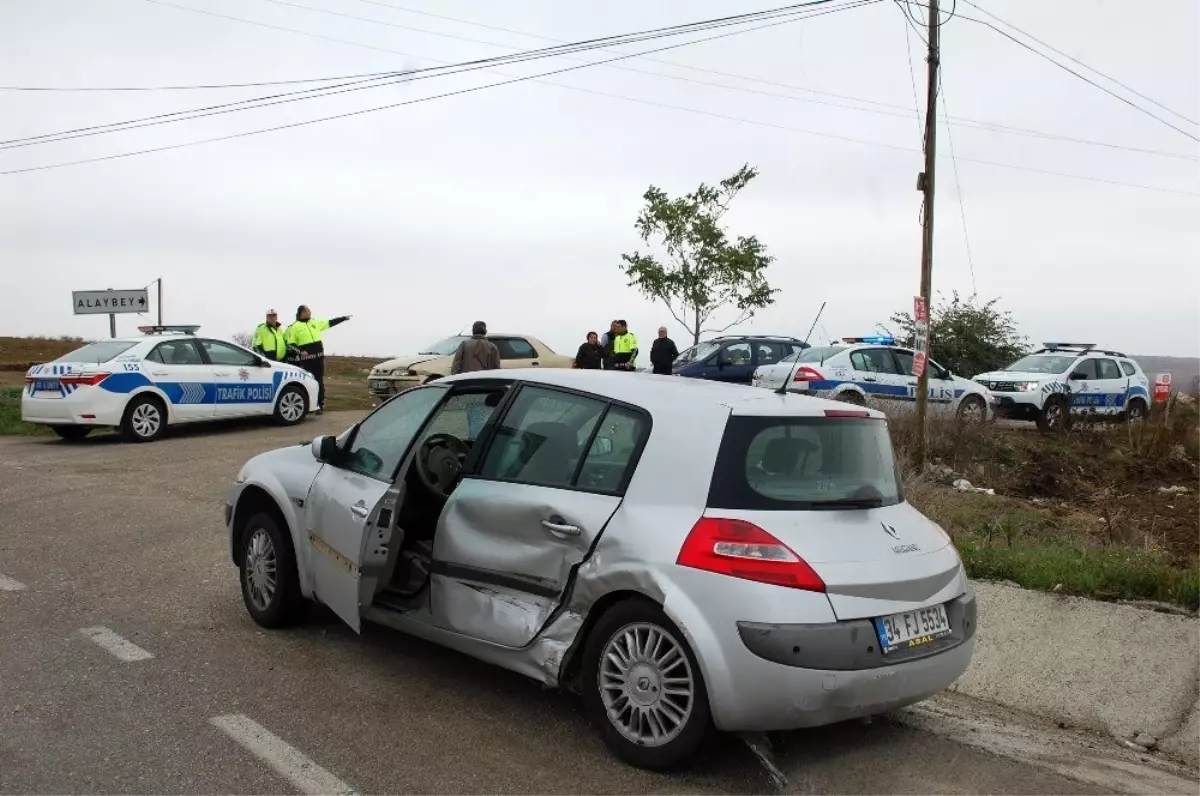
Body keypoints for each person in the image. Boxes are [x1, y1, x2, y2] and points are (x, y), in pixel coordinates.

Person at [285, 305, 352, 414]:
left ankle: (319, 405)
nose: (310, 312)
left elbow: (330, 323)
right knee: (307, 382)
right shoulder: (294, 327)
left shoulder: (314, 322)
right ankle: (307, 405)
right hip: (307, 361)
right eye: (308, 310)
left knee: (319, 382)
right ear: (302, 313)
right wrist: (300, 352)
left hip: (319, 359)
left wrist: (343, 318)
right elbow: (290, 344)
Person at [451, 321, 501, 440]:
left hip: (468, 387)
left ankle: (474, 440)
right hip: (486, 388)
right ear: (485, 331)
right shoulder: (492, 347)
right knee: (482, 416)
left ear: (473, 331)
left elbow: (456, 366)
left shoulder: (464, 344)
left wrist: (455, 384)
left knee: (471, 415)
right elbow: (497, 369)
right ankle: (479, 440)